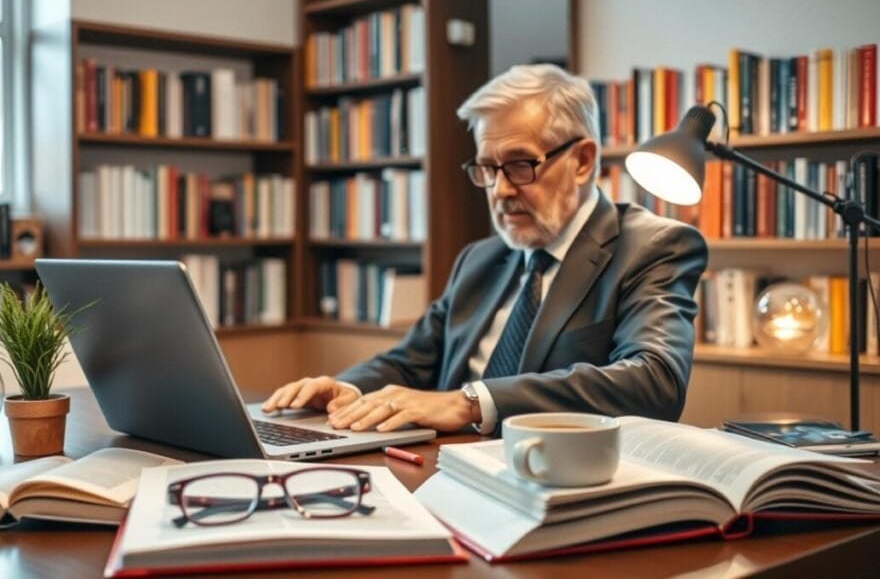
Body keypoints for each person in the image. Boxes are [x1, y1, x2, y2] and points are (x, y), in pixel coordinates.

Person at [262, 64, 708, 434]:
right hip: (440, 469)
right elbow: (411, 361)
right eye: (486, 169)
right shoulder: (480, 259)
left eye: (518, 165)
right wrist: (349, 390)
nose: (499, 190)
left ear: (583, 160)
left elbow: (656, 380)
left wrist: (473, 402)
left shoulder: (653, 246)